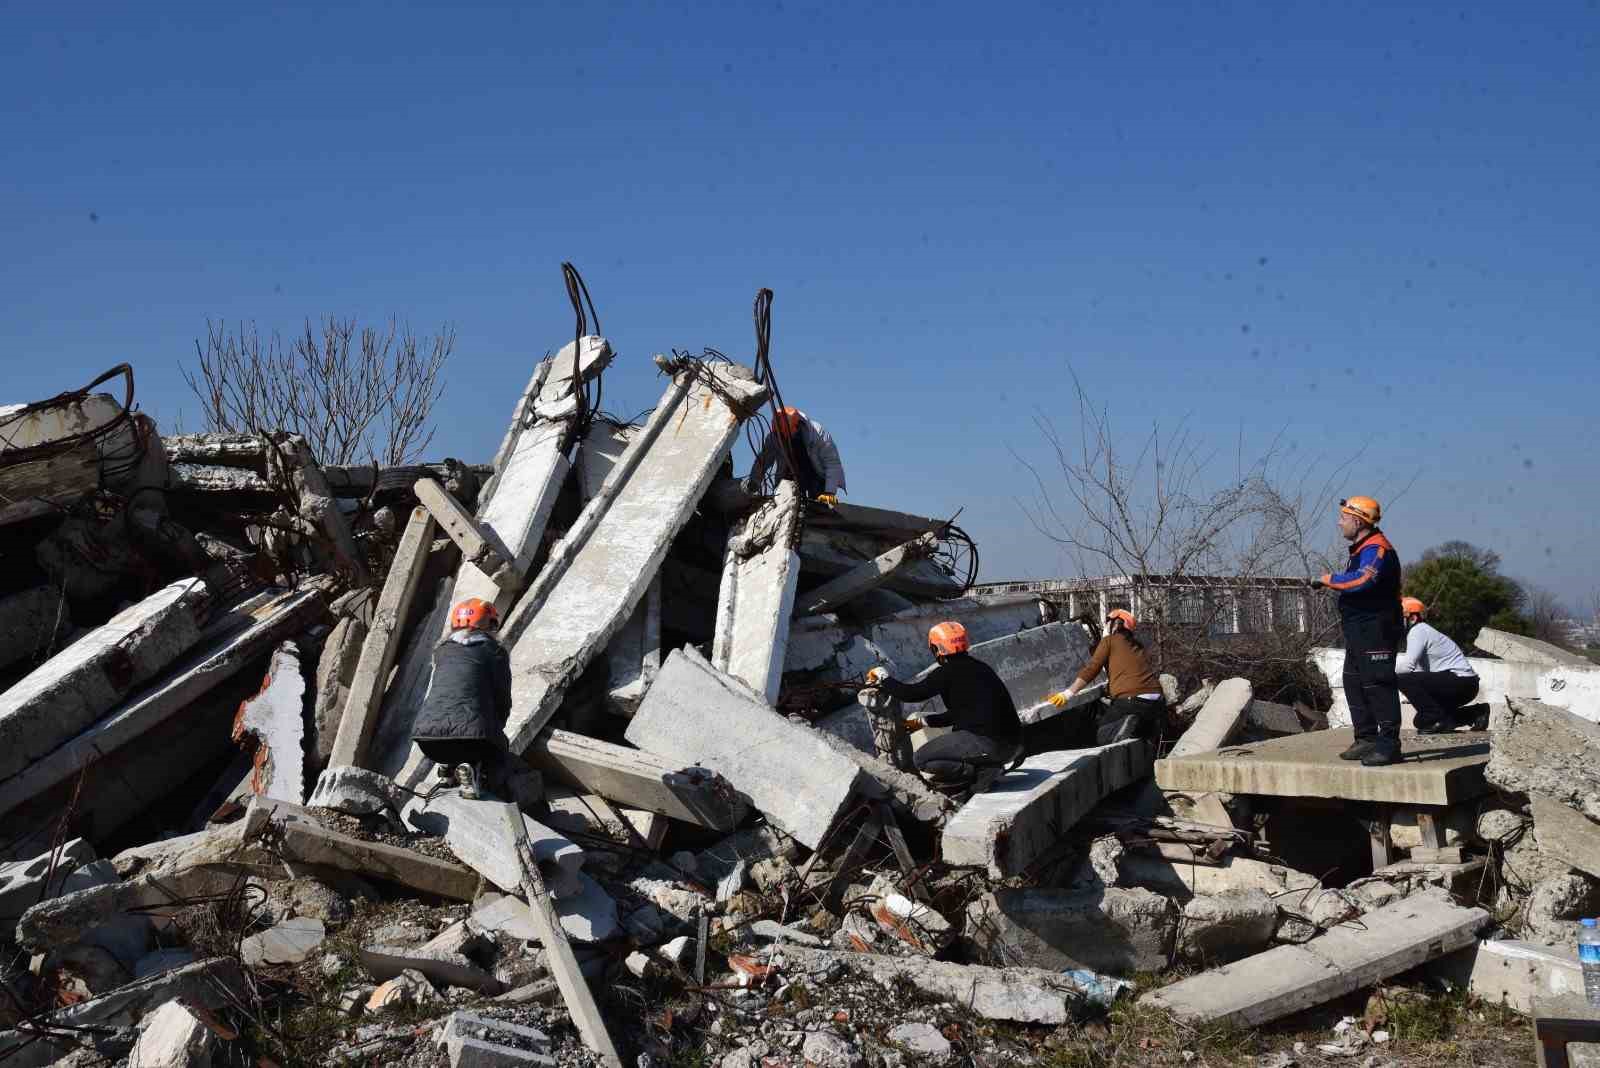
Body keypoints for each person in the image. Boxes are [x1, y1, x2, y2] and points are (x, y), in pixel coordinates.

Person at [864, 621, 1022, 793]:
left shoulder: (946, 673)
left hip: (992, 745)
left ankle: (982, 772)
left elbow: (910, 694)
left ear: (936, 649)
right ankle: (985, 767)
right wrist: (922, 722)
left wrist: (883, 677)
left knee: (922, 759)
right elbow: (960, 713)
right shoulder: (981, 668)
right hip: (1013, 745)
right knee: (958, 733)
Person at [1312, 496, 1405, 766]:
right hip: (1358, 629)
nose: (1339, 523)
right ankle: (1366, 739)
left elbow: (1363, 580)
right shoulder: (1361, 547)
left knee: (1378, 683)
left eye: (1343, 517)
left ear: (1357, 520)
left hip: (1376, 626)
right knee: (1353, 681)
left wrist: (1328, 579)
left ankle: (1389, 745)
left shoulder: (1377, 549)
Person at [411, 598, 514, 799]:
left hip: (427, 741)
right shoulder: (495, 653)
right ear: (489, 625)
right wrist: (497, 729)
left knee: (457, 728)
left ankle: (448, 770)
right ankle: (472, 774)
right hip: (470, 743)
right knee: (497, 747)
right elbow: (502, 698)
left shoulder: (442, 651)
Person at [1045, 609, 1166, 745]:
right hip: (1157, 702)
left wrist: (1066, 694)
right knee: (1138, 735)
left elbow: (1092, 669)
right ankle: (1137, 726)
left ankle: (1127, 722)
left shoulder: (1110, 641)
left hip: (1132, 701)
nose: (1105, 625)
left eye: (1108, 622)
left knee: (1100, 734)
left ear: (1115, 624)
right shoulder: (1138, 646)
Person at [1396, 596, 1487, 733]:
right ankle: (1476, 712)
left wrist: (1383, 672)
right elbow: (1420, 672)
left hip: (1460, 682)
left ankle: (1436, 718)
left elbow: (1407, 668)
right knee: (1421, 722)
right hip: (1465, 684)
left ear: (1413, 618)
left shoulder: (1418, 631)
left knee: (1401, 678)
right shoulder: (1422, 631)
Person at [745, 406, 846, 503]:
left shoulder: (817, 433)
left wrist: (829, 492)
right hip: (789, 478)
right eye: (781, 435)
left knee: (818, 508)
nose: (784, 438)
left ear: (796, 426)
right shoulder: (774, 437)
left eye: (786, 435)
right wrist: (753, 483)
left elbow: (832, 462)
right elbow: (763, 460)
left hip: (816, 476)